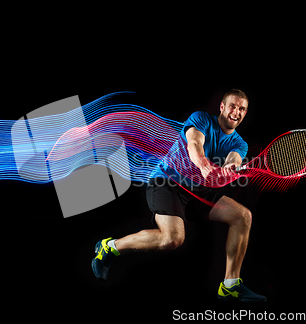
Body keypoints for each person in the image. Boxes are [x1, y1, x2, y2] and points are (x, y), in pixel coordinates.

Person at [91, 89, 266, 303]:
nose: (236, 112)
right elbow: (194, 143)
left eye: (242, 109)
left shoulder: (240, 143)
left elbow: (234, 158)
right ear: (222, 107)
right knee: (172, 239)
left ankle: (230, 286)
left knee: (242, 216)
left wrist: (231, 166)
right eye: (233, 106)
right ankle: (110, 247)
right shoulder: (200, 119)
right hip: (167, 182)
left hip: (196, 191)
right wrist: (203, 164)